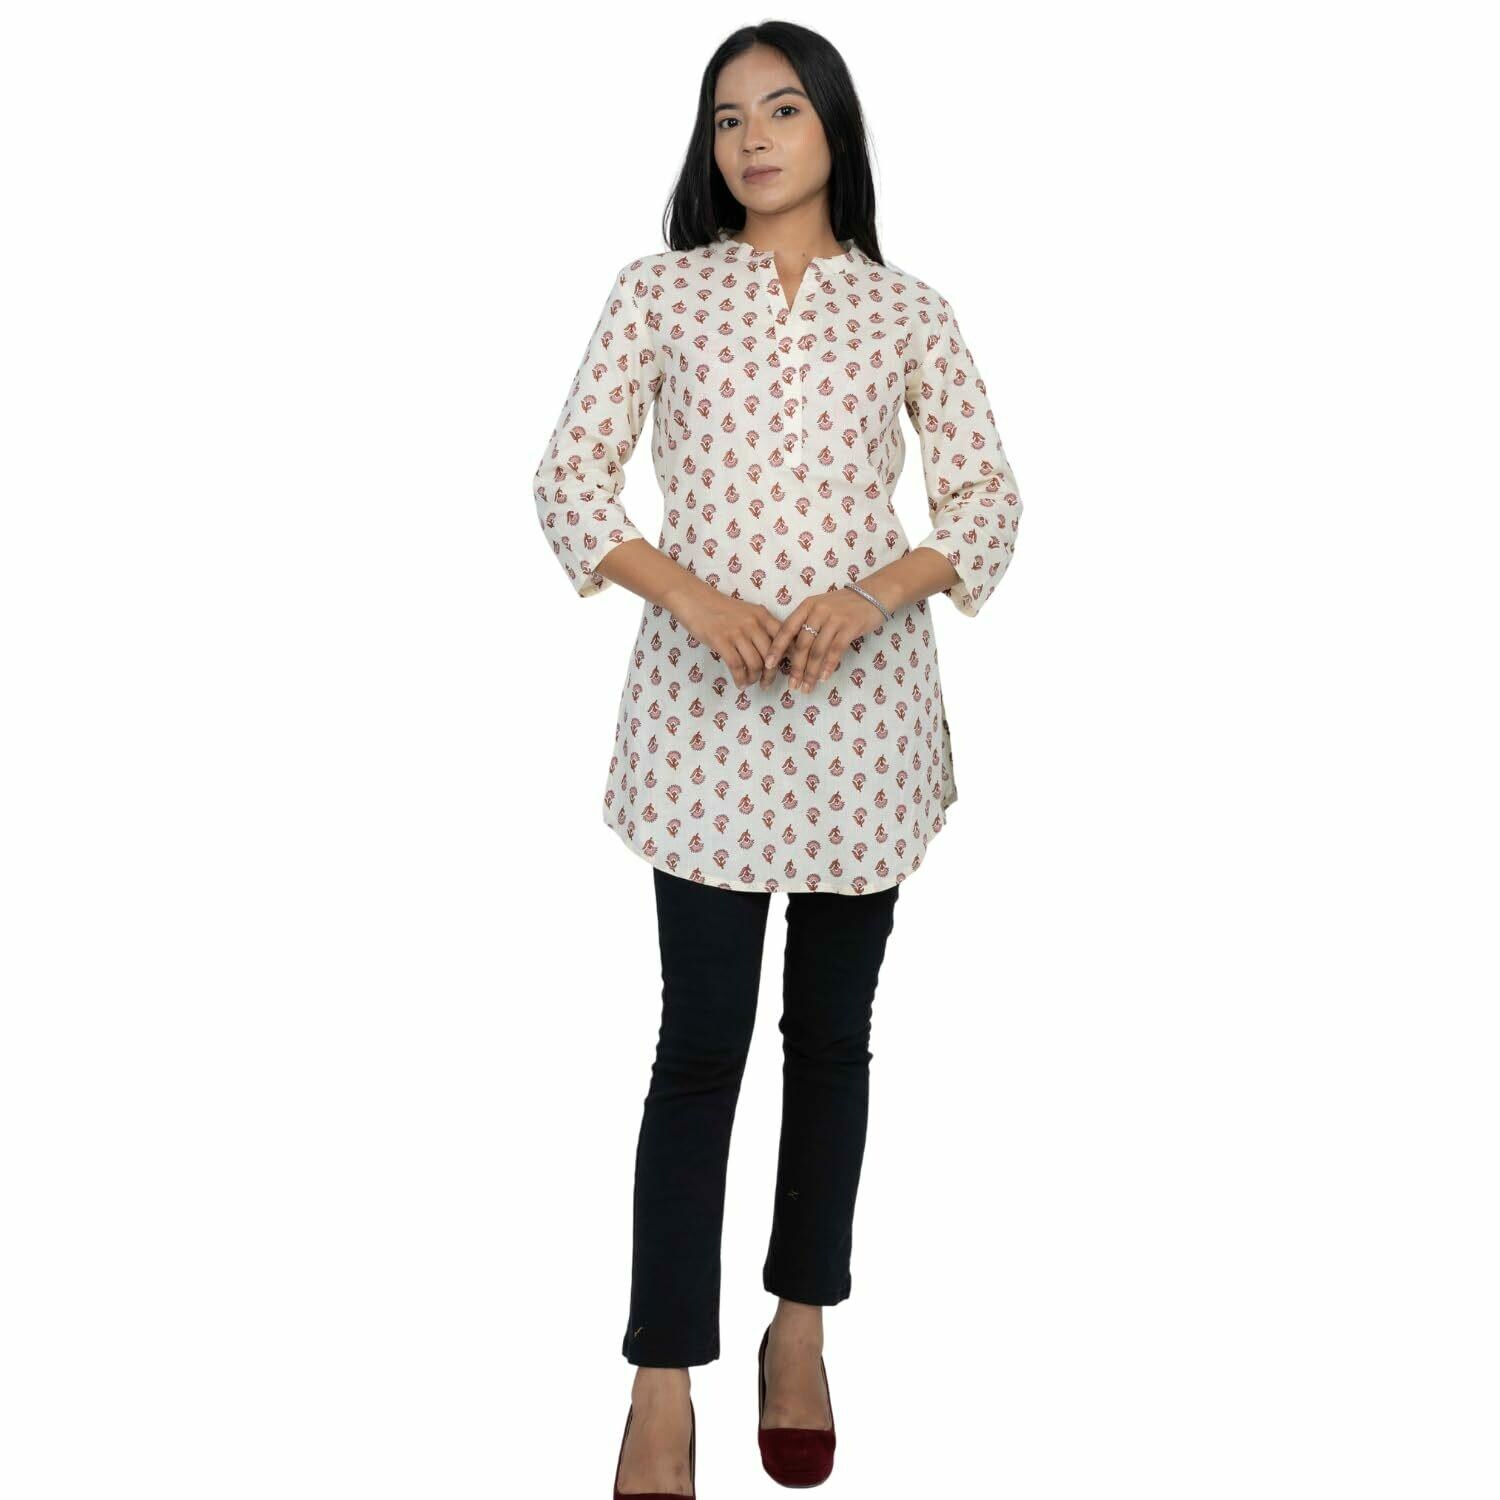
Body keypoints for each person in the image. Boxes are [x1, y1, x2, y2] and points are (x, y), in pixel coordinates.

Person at [531, 21, 1024, 1496]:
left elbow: (987, 499)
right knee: (699, 1048)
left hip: (867, 728)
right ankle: (660, 1374)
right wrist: (691, 597)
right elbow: (568, 481)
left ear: (836, 132)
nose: (751, 137)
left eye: (783, 109)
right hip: (702, 730)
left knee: (833, 1038)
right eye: (726, 116)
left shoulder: (909, 310)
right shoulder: (659, 291)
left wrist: (876, 591)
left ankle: (800, 1326)